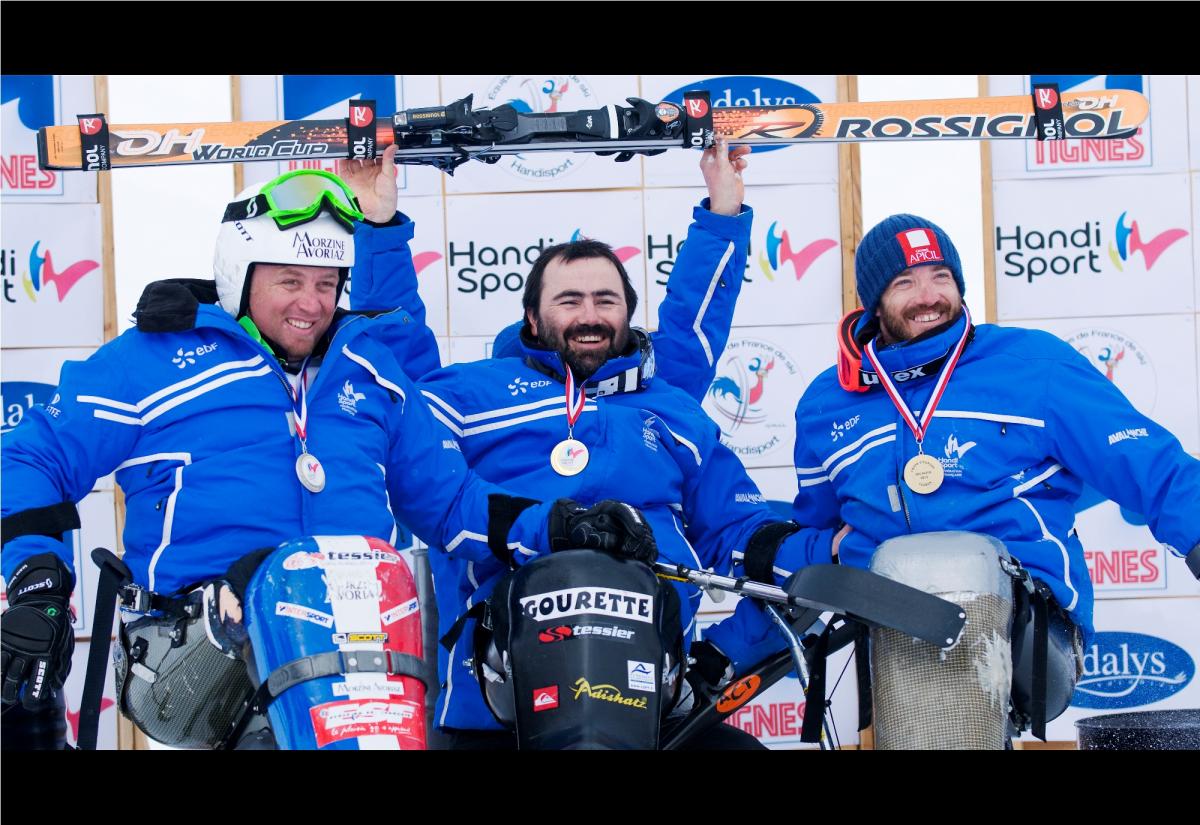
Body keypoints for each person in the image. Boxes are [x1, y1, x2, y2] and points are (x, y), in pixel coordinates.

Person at [0, 167, 638, 748]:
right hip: (207, 653)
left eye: (327, 283)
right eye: (290, 281)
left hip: (359, 646)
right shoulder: (155, 360)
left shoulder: (368, 369)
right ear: (240, 275)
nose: (311, 304)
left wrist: (557, 525)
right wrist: (39, 578)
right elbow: (30, 458)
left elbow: (450, 504)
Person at [343, 142, 831, 749]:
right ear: (531, 316)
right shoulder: (465, 396)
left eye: (606, 299)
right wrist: (379, 224)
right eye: (568, 300)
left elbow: (737, 527)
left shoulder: (668, 407)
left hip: (651, 701)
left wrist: (820, 557)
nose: (589, 314)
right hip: (497, 707)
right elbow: (391, 337)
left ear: (628, 312)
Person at [755, 213, 1200, 733]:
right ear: (874, 303)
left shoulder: (1030, 365)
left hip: (1021, 619)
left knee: (959, 576)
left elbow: (1144, 461)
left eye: (940, 276)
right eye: (905, 283)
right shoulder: (826, 406)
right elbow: (818, 530)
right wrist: (815, 551)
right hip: (886, 623)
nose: (928, 295)